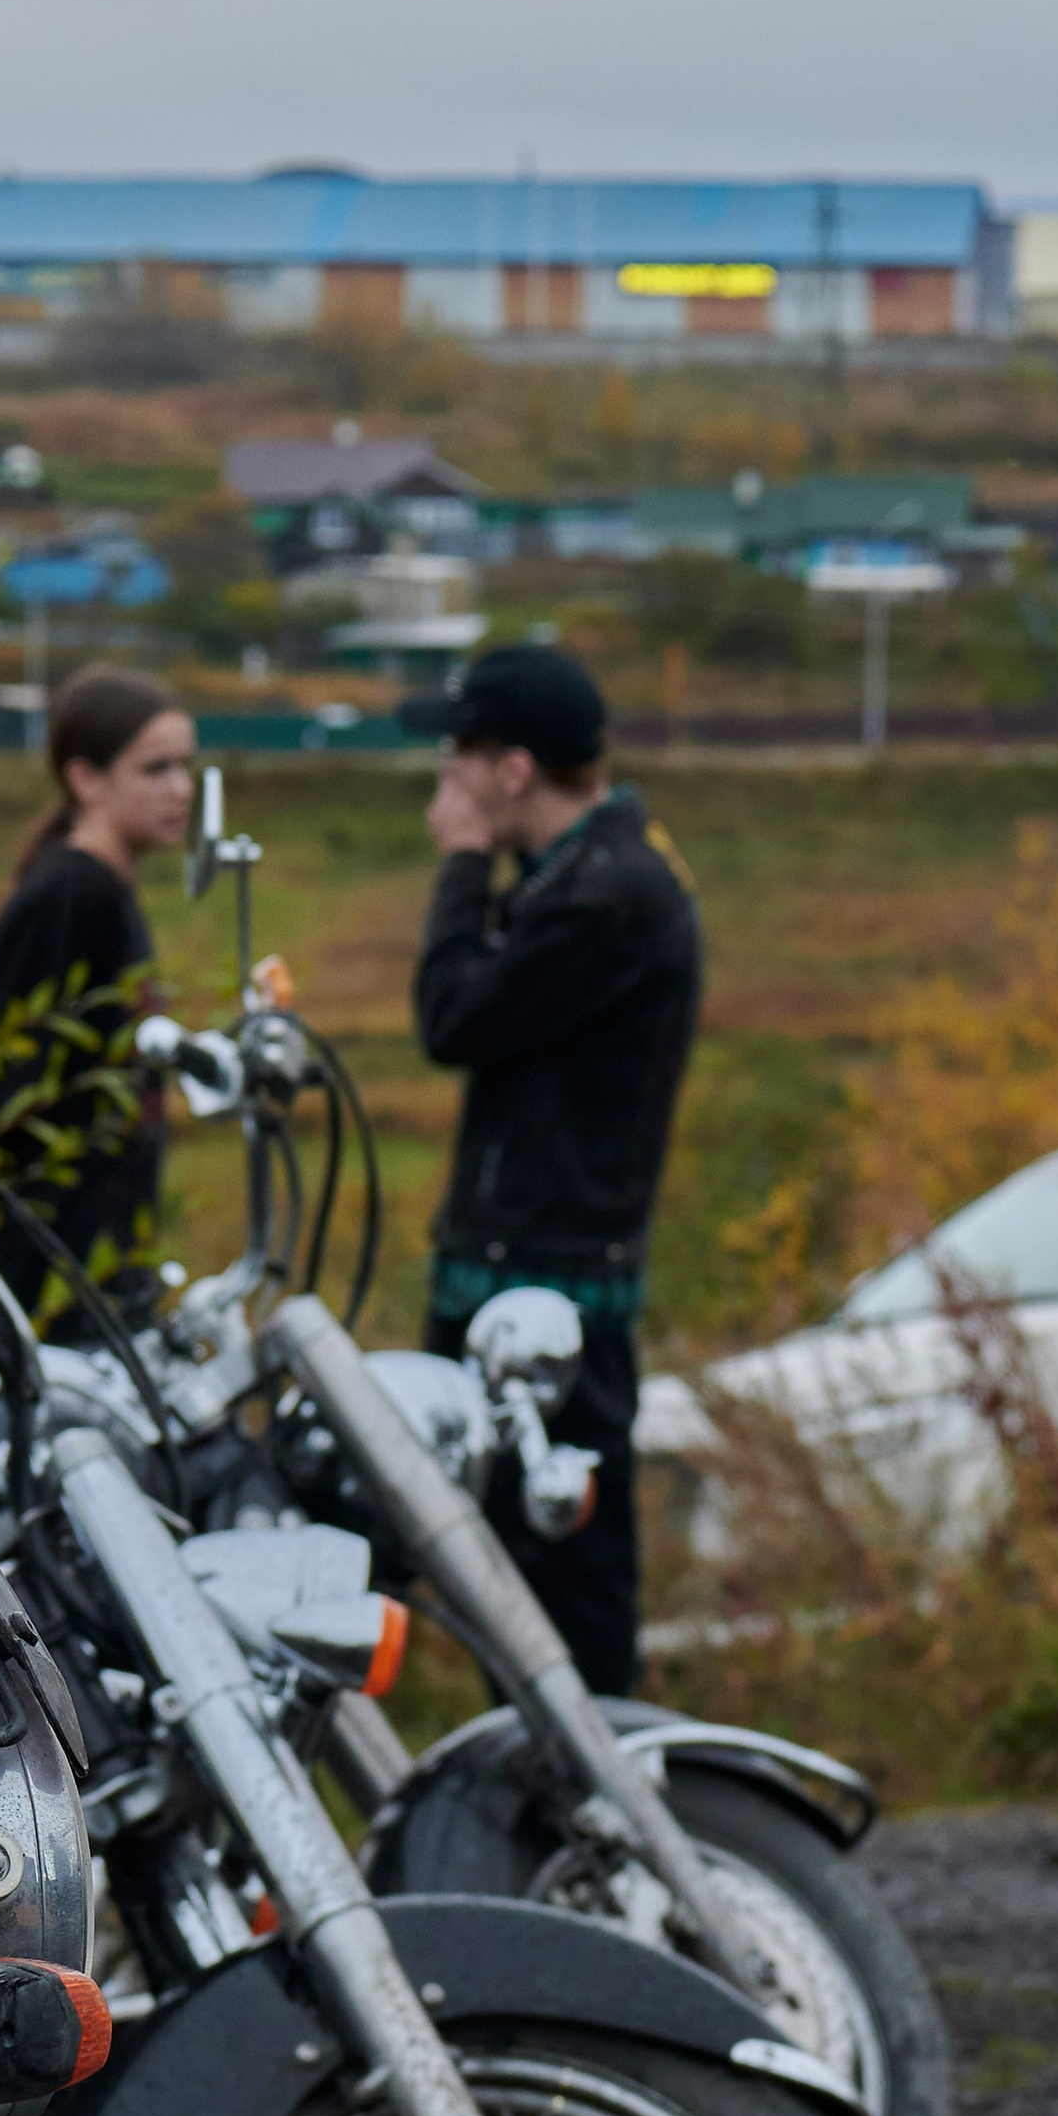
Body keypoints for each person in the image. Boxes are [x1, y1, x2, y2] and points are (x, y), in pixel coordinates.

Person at [400, 644, 702, 1696]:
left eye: (460, 760)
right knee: (505, 1591)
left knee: (562, 1604)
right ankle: (538, 1814)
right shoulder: (585, 876)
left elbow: (453, 1015)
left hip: (546, 1314)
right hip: (517, 1289)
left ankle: (596, 1817)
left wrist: (460, 860)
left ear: (511, 770)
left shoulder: (604, 896)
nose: (449, 784)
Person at [0, 664, 195, 1323]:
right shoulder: (71, 894)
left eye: (185, 765)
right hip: (53, 1254)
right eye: (155, 769)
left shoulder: (100, 887)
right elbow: (20, 1098)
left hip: (96, 1244)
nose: (180, 788)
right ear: (85, 778)